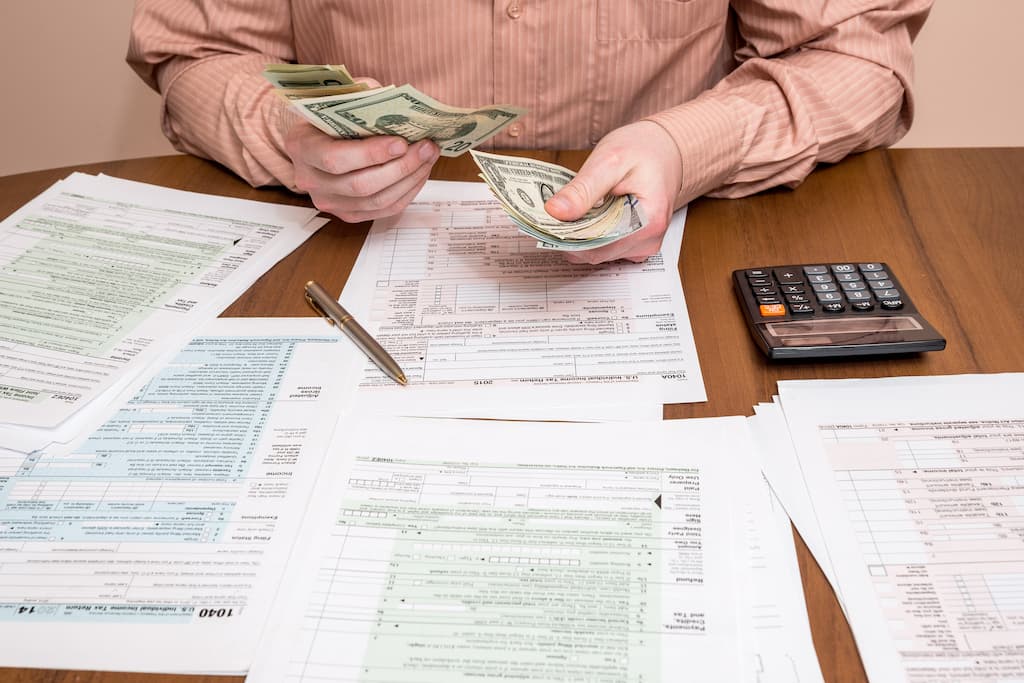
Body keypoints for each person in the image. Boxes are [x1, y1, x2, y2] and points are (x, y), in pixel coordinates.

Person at [127, 1, 932, 264]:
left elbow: (859, 54)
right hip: (352, 261)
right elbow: (197, 54)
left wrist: (690, 146)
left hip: (679, 262)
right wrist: (283, 130)